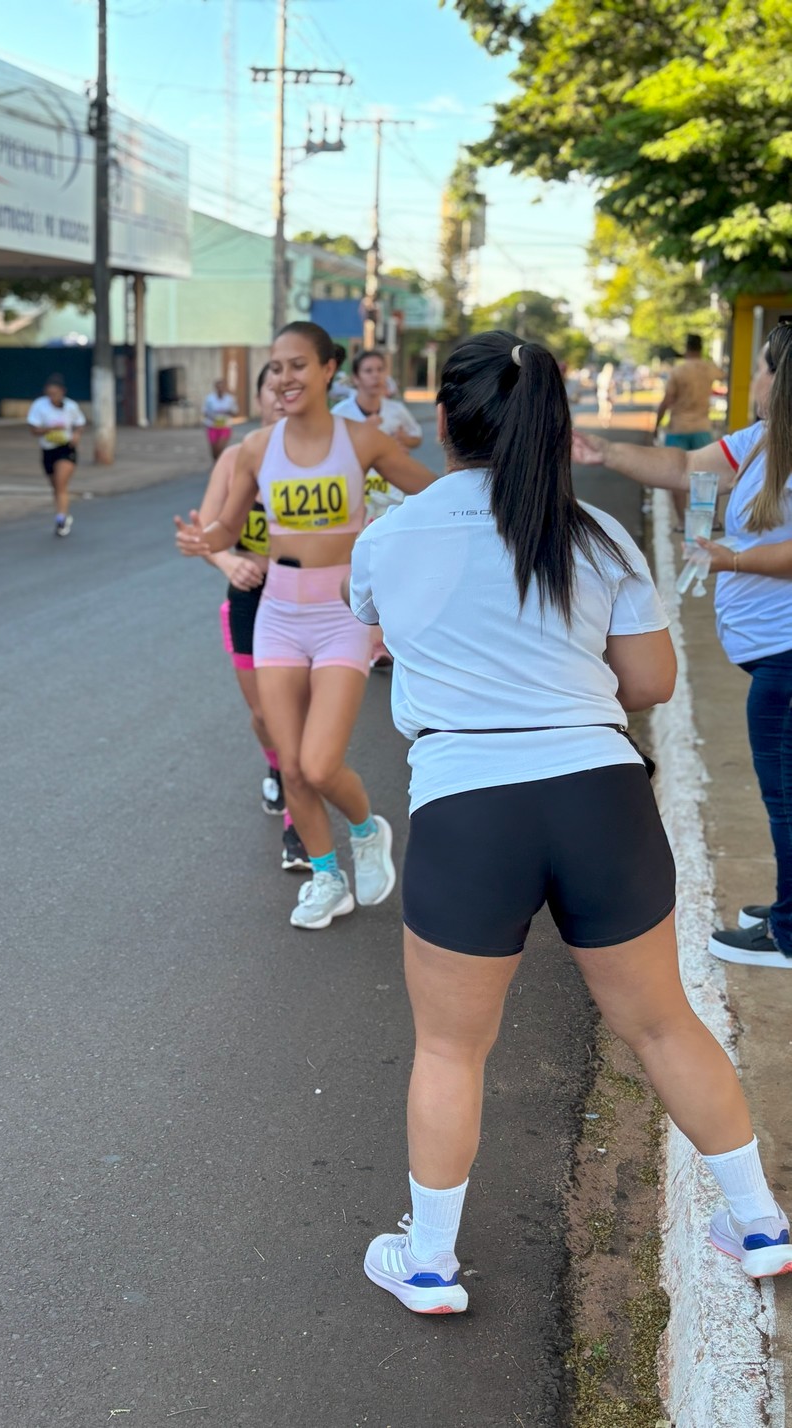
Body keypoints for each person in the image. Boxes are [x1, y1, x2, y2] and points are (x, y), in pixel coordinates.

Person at [351, 329, 791, 1317]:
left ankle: (429, 1262)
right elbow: (651, 682)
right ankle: (760, 1223)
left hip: (468, 805)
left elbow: (378, 634)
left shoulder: (391, 533)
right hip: (599, 796)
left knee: (451, 1049)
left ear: (445, 421)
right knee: (662, 1024)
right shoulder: (594, 534)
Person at [175, 321, 433, 930]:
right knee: (290, 766)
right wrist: (203, 541)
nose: (284, 378)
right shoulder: (258, 449)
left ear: (327, 370)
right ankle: (326, 877)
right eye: (276, 368)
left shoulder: (363, 441)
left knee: (320, 765)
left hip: (340, 614)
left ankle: (368, 831)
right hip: (278, 615)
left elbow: (432, 493)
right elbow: (226, 524)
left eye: (297, 366)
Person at [574, 322, 792, 970]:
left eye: (761, 368)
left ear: (781, 380)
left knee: (783, 799)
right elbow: (682, 466)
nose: (753, 380)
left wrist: (731, 557)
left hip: (785, 659)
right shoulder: (759, 442)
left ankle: (786, 933)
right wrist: (602, 453)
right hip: (772, 657)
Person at [193, 363, 311, 872]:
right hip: (248, 599)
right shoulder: (238, 457)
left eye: (293, 388)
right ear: (259, 396)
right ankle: (275, 766)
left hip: (305, 600)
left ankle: (297, 823)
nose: (283, 396)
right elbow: (206, 531)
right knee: (266, 714)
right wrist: (228, 559)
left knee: (296, 713)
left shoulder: (322, 458)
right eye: (273, 387)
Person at [332, 349, 423, 669]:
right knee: (359, 566)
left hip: (391, 495)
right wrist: (365, 437)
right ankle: (361, 635)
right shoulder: (342, 413)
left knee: (389, 564)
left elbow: (416, 437)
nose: (374, 375)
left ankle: (382, 641)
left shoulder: (396, 410)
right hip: (356, 495)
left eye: (379, 369)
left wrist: (399, 439)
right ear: (355, 378)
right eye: (368, 370)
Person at [654, 335, 723, 528]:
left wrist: (656, 425)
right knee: (708, 474)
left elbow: (667, 401)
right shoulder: (709, 368)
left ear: (686, 348)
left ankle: (682, 522)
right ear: (701, 348)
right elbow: (723, 375)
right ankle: (712, 520)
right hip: (702, 427)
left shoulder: (678, 370)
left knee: (676, 475)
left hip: (678, 427)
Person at [27, 375, 86, 537]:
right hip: (48, 449)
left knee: (61, 482)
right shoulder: (39, 406)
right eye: (50, 394)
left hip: (66, 448)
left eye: (56, 393)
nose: (53, 397)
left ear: (62, 392)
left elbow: (80, 423)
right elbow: (33, 429)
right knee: (55, 486)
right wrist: (49, 430)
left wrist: (76, 435)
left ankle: (60, 519)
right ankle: (64, 514)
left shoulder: (71, 407)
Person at [202, 380, 239, 466]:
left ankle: (220, 465)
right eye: (218, 387)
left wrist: (227, 412)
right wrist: (213, 416)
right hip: (212, 426)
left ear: (225, 388)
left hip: (225, 426)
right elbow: (204, 412)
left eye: (222, 387)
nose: (220, 389)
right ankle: (216, 462)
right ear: (215, 388)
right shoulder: (209, 399)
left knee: (220, 447)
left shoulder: (229, 399)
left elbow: (235, 412)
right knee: (214, 449)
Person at [596, 361, 617, 427]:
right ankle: (604, 419)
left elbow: (614, 386)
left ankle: (607, 420)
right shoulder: (601, 376)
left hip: (609, 394)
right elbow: (599, 385)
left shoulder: (611, 376)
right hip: (603, 394)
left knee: (609, 408)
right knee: (604, 407)